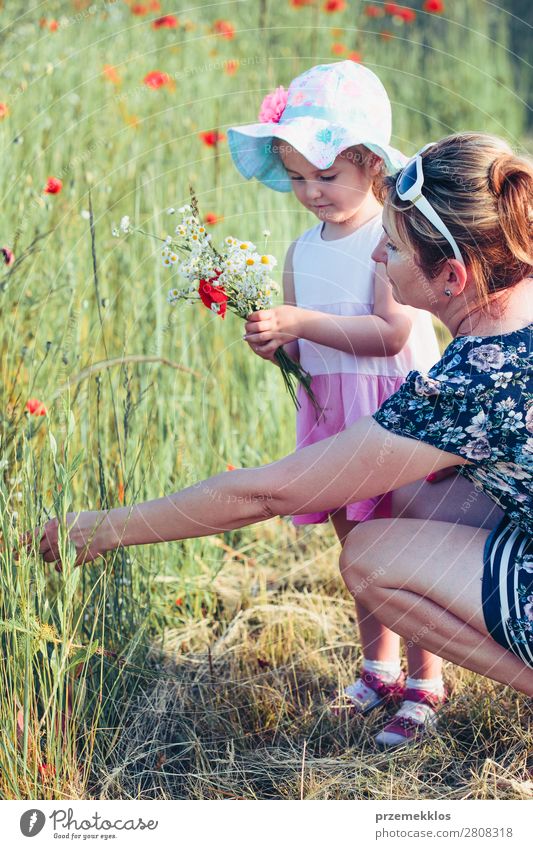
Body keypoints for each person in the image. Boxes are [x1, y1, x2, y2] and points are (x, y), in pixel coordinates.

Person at [37, 133, 533, 744]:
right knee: (411, 495)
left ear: (453, 276)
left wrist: (108, 528)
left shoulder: (478, 379)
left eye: (394, 245)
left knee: (370, 559)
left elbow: (270, 494)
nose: (377, 255)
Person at [227, 61, 442, 740]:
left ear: (369, 166)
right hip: (333, 413)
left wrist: (301, 325)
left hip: (393, 412)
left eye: (326, 175)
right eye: (295, 176)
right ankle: (377, 667)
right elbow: (306, 342)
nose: (310, 191)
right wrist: (276, 341)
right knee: (355, 549)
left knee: (406, 544)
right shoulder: (299, 249)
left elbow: (386, 335)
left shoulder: (388, 240)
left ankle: (424, 678)